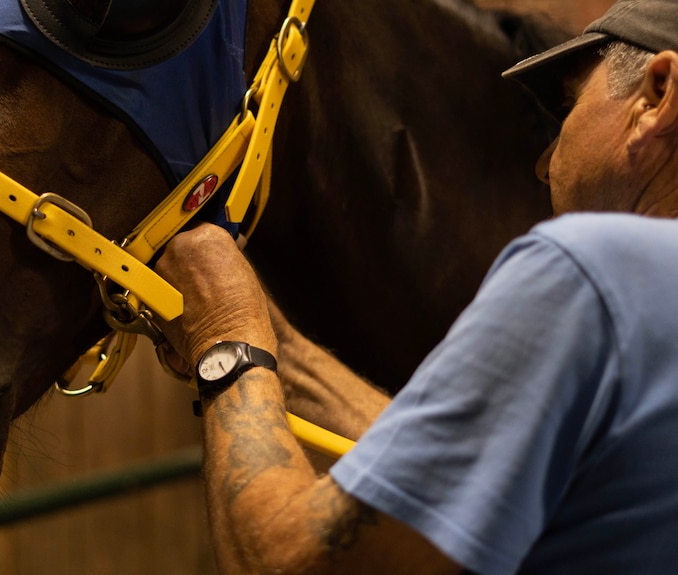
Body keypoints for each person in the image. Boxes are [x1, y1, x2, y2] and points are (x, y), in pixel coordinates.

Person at [155, 0, 678, 573]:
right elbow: (467, 467)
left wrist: (226, 340)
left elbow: (290, 560)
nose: (545, 161)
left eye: (567, 109)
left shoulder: (589, 271)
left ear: (658, 94)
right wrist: (284, 350)